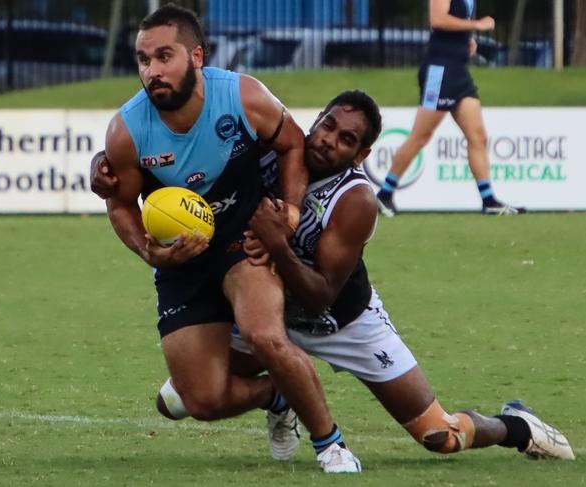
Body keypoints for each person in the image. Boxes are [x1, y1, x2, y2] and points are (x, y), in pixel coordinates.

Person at [158, 90, 575, 463]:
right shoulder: (273, 151)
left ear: (360, 155)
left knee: (439, 435)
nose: (328, 140)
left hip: (343, 321)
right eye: (328, 125)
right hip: (270, 312)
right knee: (178, 399)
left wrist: (278, 244)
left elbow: (321, 296)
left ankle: (517, 426)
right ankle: (280, 395)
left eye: (346, 140)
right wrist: (110, 169)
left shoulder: (356, 200)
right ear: (317, 118)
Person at [91, 3, 360, 473]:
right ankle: (275, 396)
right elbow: (120, 205)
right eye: (142, 60)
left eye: (164, 56)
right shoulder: (127, 130)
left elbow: (293, 143)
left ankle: (331, 445)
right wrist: (152, 251)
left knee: (264, 335)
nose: (151, 71)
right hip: (182, 264)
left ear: (196, 56)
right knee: (201, 399)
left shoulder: (242, 96)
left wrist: (291, 213)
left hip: (243, 241)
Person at [376, 0, 525, 216]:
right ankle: (384, 194)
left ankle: (489, 200)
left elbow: (457, 21)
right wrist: (477, 25)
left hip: (458, 71)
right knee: (420, 136)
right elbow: (437, 19)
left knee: (478, 137)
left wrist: (469, 39)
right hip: (439, 72)